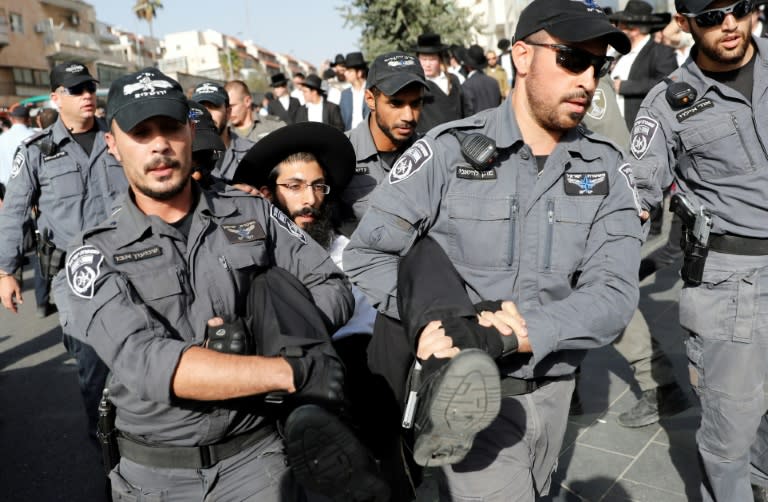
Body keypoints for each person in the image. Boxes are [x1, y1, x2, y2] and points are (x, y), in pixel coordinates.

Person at [343, 1, 641, 500]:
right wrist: (439, 326)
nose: (588, 79)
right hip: (471, 403)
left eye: (598, 65)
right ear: (522, 56)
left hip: (555, 391)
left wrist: (518, 336)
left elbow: (614, 294)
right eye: (572, 59)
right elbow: (367, 256)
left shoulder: (606, 167)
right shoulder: (445, 152)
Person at [52, 67, 355, 501]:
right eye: (141, 132)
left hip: (257, 460)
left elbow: (330, 283)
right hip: (156, 476)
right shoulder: (92, 253)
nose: (159, 144)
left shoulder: (254, 215)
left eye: (170, 128)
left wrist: (264, 335)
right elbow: (146, 361)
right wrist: (288, 369)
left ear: (190, 134)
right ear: (112, 145)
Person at [631, 0, 768, 499]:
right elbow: (639, 191)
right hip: (734, 283)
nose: (728, 23)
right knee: (729, 437)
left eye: (737, 8)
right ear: (685, 23)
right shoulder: (667, 105)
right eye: (710, 16)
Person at [234, 123, 390, 500]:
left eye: (318, 186)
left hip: (350, 377)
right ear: (269, 193)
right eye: (296, 186)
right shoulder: (250, 256)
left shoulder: (343, 249)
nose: (310, 199)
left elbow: (363, 325)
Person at [0, 61, 127, 439]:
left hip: (130, 266)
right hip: (75, 277)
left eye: (89, 86)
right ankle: (105, 446)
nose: (87, 94)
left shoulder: (119, 138)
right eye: (76, 89)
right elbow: (16, 213)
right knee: (92, 363)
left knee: (138, 357)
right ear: (56, 98)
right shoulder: (38, 150)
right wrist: (6, 271)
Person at [341, 51, 428, 228]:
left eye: (415, 103)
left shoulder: (432, 154)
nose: (409, 116)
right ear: (370, 100)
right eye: (396, 103)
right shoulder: (341, 154)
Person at [609, 0, 679, 129]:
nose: (617, 29)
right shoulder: (619, 54)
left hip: (641, 129)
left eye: (620, 26)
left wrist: (625, 86)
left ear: (634, 30)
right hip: (615, 129)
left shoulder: (661, 52)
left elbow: (669, 84)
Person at [190, 81, 255, 181]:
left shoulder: (251, 152)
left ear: (228, 112)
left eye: (213, 106)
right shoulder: (183, 154)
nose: (206, 114)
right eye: (200, 108)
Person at [414, 33, 465, 134]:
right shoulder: (416, 84)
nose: (427, 64)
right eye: (424, 59)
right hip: (429, 140)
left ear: (440, 59)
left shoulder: (454, 80)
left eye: (432, 59)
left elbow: (464, 108)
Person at [0, 106, 34, 196]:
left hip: (7, 190)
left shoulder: (2, 138)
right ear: (28, 119)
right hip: (31, 190)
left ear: (12, 119)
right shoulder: (34, 136)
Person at [461, 44, 502, 116]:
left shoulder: (467, 85)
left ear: (468, 66)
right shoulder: (493, 81)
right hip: (496, 123)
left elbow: (469, 111)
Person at [339, 52, 370, 131]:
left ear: (359, 73)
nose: (345, 74)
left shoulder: (372, 91)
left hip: (370, 138)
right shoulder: (345, 94)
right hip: (350, 137)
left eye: (349, 71)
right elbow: (342, 121)